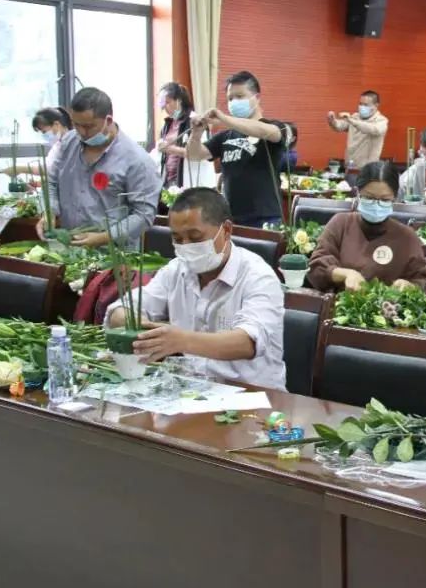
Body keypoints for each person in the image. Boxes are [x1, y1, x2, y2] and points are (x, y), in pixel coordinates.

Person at [105, 188, 286, 391]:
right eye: (177, 239)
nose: (186, 246)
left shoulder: (258, 276)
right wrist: (140, 326)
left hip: (253, 395)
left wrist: (180, 340)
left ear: (226, 230)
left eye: (195, 237)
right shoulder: (177, 269)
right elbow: (120, 311)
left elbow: (247, 342)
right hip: (192, 391)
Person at [42, 87, 160, 248]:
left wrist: (105, 237)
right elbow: (51, 181)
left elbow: (143, 215)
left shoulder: (137, 160)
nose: (81, 132)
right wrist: (50, 212)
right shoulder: (67, 144)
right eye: (76, 125)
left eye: (88, 126)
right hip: (70, 248)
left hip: (114, 253)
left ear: (108, 120)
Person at [307, 161, 426, 293]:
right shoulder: (341, 223)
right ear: (358, 193)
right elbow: (316, 267)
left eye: (384, 200)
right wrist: (346, 274)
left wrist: (410, 286)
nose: (376, 205)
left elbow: (425, 285)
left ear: (394, 198)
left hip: (388, 305)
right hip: (340, 302)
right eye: (369, 197)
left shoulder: (406, 237)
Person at [186, 71, 290, 228]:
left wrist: (224, 119)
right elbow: (193, 155)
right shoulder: (225, 136)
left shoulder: (274, 126)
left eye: (240, 96)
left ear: (257, 98)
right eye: (230, 98)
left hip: (265, 218)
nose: (234, 102)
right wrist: (196, 134)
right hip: (231, 218)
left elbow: (269, 132)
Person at [0, 107, 72, 181]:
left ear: (56, 124)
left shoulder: (73, 143)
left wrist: (20, 169)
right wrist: (39, 183)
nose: (44, 135)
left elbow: (51, 169)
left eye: (44, 132)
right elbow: (51, 170)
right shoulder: (57, 146)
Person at [327, 90, 387, 168]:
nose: (362, 107)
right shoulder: (355, 117)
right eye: (360, 104)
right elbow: (340, 126)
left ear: (376, 105)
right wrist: (332, 121)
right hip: (350, 165)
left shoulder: (381, 121)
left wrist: (352, 121)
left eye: (365, 105)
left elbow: (374, 130)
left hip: (367, 169)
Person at [156, 82, 193, 189]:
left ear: (179, 100)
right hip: (169, 181)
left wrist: (170, 149)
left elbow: (200, 153)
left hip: (186, 181)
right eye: (163, 103)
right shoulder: (168, 124)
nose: (164, 107)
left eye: (168, 102)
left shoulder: (194, 121)